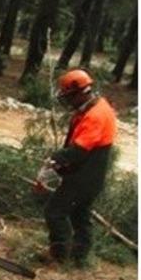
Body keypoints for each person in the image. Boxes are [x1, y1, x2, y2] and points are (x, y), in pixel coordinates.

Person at [38, 69, 116, 264]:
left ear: (80, 93)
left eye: (69, 96)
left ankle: (59, 253)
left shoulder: (95, 115)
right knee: (80, 214)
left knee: (55, 211)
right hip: (90, 174)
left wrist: (54, 160)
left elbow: (78, 151)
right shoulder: (95, 106)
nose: (67, 101)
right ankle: (79, 256)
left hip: (84, 176)